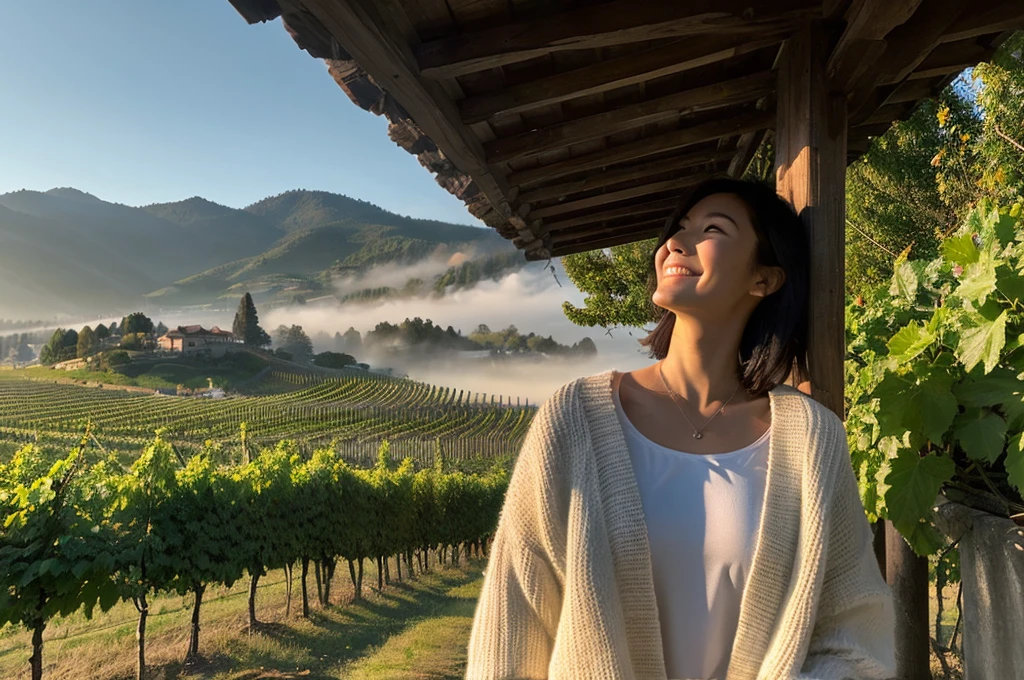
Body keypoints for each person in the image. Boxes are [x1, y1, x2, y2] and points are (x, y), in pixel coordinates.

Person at [464, 177, 897, 680]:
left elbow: (855, 636)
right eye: (678, 229)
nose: (675, 243)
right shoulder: (575, 418)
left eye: (712, 229)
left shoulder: (813, 441)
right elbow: (514, 622)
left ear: (764, 280)